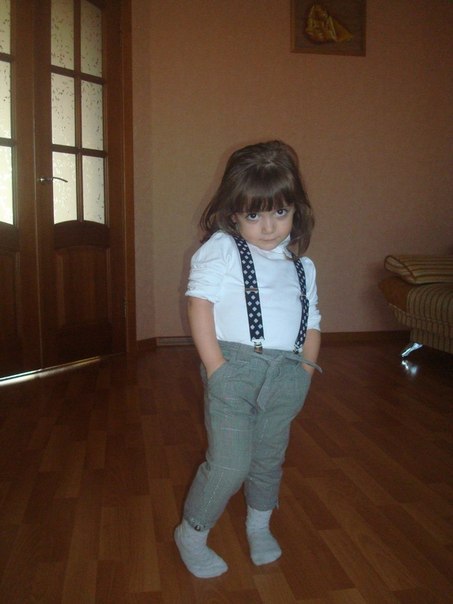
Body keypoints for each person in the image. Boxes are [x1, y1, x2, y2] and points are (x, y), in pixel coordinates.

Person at [174, 140, 321, 578]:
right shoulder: (223, 248)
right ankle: (191, 533)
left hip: (288, 375)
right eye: (254, 215)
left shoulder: (303, 267)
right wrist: (216, 368)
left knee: (268, 458)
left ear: (296, 210)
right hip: (235, 372)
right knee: (229, 464)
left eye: (281, 212)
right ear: (234, 213)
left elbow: (312, 321)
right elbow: (199, 304)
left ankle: (259, 526)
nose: (269, 227)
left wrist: (306, 370)